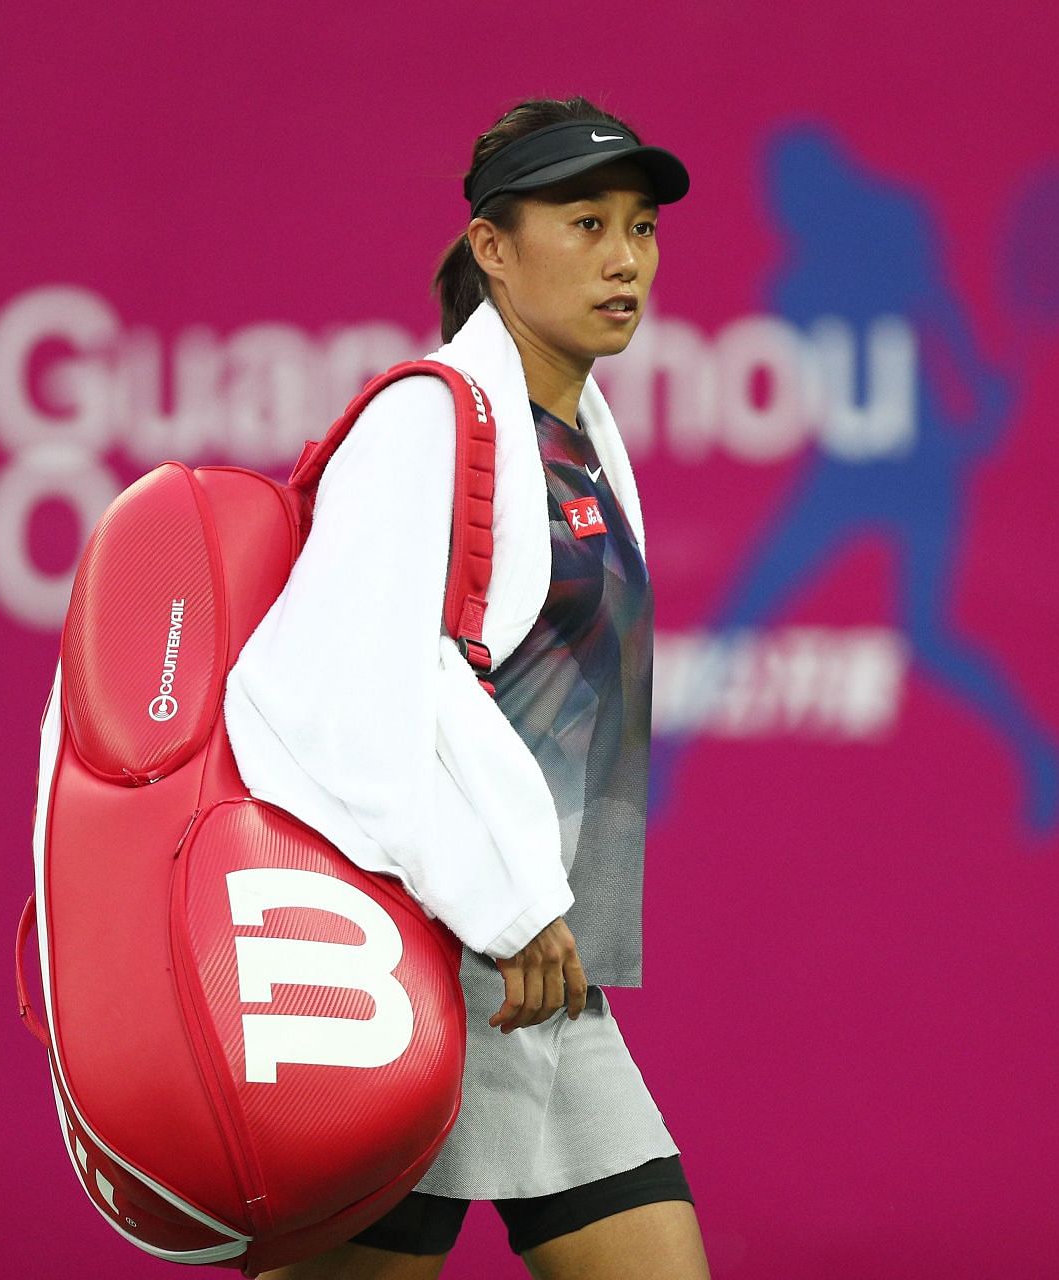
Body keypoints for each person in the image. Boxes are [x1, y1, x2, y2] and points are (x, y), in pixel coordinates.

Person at [224, 96, 710, 1279]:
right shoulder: (421, 424)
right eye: (585, 223)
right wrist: (497, 900)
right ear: (493, 248)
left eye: (640, 228)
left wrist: (523, 916)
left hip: (540, 979)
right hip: (411, 972)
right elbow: (330, 691)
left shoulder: (583, 437)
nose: (624, 259)